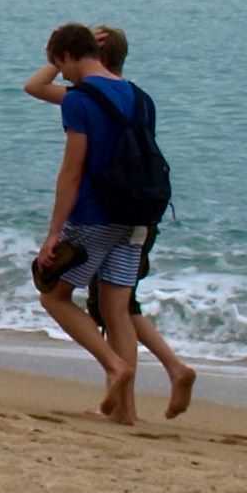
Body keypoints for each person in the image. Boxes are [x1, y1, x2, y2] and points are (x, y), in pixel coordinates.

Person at [23, 23, 195, 426]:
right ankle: (126, 414)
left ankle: (114, 366)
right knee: (117, 309)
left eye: (61, 64)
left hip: (94, 215)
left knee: (53, 296)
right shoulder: (141, 98)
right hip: (138, 215)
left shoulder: (79, 101)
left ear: (68, 56)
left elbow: (72, 171)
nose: (63, 74)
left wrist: (54, 232)